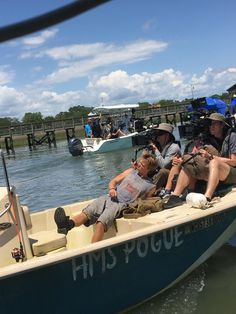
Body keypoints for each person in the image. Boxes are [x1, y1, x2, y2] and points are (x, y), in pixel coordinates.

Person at [54, 151, 158, 243]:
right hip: (109, 197)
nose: (139, 165)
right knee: (88, 211)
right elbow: (113, 181)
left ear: (148, 169)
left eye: (142, 165)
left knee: (101, 223)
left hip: (121, 205)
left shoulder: (150, 186)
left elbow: (144, 202)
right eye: (139, 162)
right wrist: (112, 189)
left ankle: (92, 250)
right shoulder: (130, 171)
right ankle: (66, 225)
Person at [164, 112, 234, 209]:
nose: (211, 126)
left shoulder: (232, 137)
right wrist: (180, 161)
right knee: (189, 163)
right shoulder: (209, 139)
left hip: (232, 172)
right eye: (210, 124)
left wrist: (211, 156)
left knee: (214, 162)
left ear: (222, 125)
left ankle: (207, 197)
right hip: (217, 171)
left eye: (214, 123)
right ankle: (175, 196)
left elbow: (234, 161)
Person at [148, 123, 181, 191]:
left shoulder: (174, 147)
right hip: (157, 174)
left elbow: (164, 165)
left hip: (170, 176)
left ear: (167, 135)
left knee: (163, 172)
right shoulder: (158, 146)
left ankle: (148, 191)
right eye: (156, 133)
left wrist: (155, 150)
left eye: (160, 134)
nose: (157, 136)